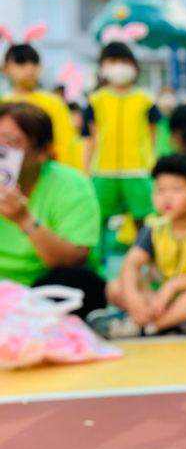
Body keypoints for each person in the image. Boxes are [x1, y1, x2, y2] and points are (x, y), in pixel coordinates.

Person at [88, 153, 186, 338]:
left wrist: (172, 286)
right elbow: (131, 264)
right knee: (115, 287)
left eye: (176, 190)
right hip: (164, 298)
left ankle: (146, 326)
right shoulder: (154, 227)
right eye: (160, 190)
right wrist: (133, 298)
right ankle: (168, 321)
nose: (167, 198)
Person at [0, 103, 104, 316]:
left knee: (82, 282)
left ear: (43, 151)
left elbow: (73, 259)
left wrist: (24, 220)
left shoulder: (71, 185)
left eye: (11, 142)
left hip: (43, 285)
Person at [83, 42, 160, 237]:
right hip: (103, 170)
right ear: (102, 66)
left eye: (124, 61)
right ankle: (95, 256)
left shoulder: (146, 100)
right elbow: (90, 139)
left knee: (144, 220)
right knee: (96, 220)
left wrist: (152, 165)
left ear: (134, 65)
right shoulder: (96, 100)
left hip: (138, 170)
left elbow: (154, 138)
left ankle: (145, 255)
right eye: (112, 61)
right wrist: (86, 170)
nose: (119, 66)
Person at [2, 44, 79, 171]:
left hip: (46, 173)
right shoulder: (3, 103)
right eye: (21, 63)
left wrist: (67, 174)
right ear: (6, 67)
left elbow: (65, 146)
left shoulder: (53, 103)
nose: (30, 69)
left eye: (35, 63)